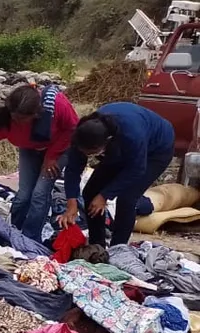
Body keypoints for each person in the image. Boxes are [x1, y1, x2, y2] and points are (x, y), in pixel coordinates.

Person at [0, 83, 79, 242]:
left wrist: (51, 156)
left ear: (37, 114)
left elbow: (73, 129)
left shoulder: (57, 105)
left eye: (22, 118)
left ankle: (31, 239)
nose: (17, 121)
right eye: (14, 117)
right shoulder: (5, 122)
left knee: (39, 194)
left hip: (58, 149)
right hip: (29, 149)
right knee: (23, 195)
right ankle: (13, 232)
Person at [58, 103, 176, 247]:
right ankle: (97, 244)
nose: (87, 156)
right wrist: (71, 202)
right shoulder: (82, 135)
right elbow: (73, 168)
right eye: (84, 152)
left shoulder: (131, 135)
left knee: (127, 198)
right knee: (90, 192)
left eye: (91, 154)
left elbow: (136, 169)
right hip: (118, 149)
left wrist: (105, 195)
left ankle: (118, 247)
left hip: (155, 151)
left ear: (106, 142)